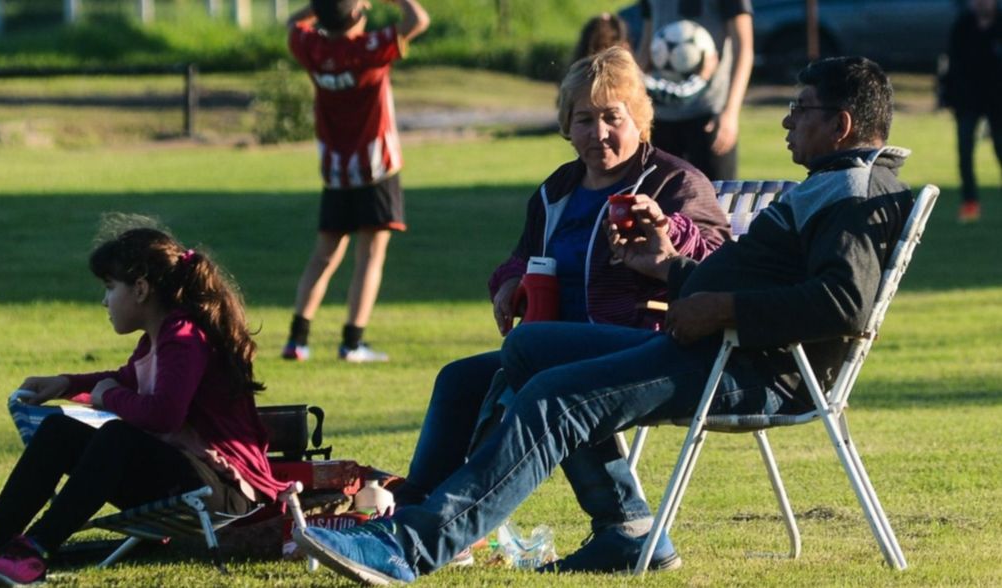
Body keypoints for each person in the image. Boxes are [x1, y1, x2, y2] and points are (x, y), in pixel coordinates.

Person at [292, 56, 913, 585]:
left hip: (752, 365)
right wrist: (668, 271)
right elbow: (747, 279)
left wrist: (720, 305)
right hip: (718, 345)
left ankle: (410, 547)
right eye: (583, 119)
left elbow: (843, 304)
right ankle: (626, 531)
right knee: (530, 351)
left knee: (553, 397)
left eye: (800, 109)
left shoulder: (852, 192)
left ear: (841, 124)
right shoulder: (832, 185)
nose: (786, 120)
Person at [393, 46, 729, 572]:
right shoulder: (558, 189)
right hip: (555, 341)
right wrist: (509, 283)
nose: (598, 134)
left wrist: (669, 232)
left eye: (612, 117)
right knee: (460, 377)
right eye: (584, 120)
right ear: (566, 128)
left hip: (643, 343)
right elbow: (522, 257)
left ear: (640, 119)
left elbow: (720, 261)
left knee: (531, 364)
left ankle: (438, 529)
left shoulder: (674, 182)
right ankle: (416, 509)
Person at [0, 226, 287, 585]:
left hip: (226, 492)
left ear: (141, 289)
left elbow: (163, 414)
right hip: (189, 480)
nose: (104, 301)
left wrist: (107, 396)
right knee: (59, 430)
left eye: (110, 287)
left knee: (118, 436)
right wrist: (67, 384)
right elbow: (124, 379)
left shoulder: (185, 336)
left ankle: (34, 552)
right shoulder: (158, 337)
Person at [282, 0, 430, 363]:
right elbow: (418, 20)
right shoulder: (369, 48)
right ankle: (352, 343)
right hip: (376, 167)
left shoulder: (312, 47)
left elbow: (291, 22)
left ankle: (297, 340)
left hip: (335, 170)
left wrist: (321, 6)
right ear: (356, 14)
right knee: (370, 256)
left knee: (324, 255)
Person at [636, 0, 754, 181]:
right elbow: (647, 44)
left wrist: (730, 112)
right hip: (659, 115)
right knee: (660, 200)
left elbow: (744, 48)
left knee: (717, 198)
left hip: (709, 114)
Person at [941, 0, 1002, 223]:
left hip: (997, 102)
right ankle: (970, 203)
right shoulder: (963, 26)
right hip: (968, 101)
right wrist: (947, 94)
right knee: (965, 152)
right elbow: (951, 63)